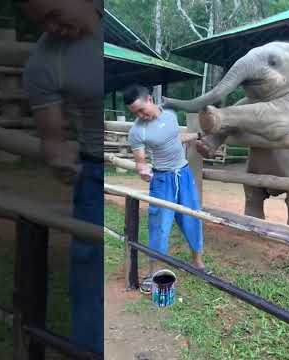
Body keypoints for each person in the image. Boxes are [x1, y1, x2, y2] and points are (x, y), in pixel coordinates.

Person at [16, 0, 104, 355]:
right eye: (41, 23)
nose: (51, 28)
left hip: (149, 170)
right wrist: (60, 158)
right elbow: (53, 141)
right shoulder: (45, 63)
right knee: (90, 273)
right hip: (97, 176)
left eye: (53, 15)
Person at [124, 84, 211, 294]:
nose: (140, 115)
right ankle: (153, 272)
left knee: (192, 218)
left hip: (184, 174)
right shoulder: (137, 131)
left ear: (150, 100)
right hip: (162, 180)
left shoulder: (170, 115)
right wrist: (143, 171)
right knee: (159, 226)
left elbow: (173, 138)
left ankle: (198, 263)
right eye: (135, 113)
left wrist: (195, 136)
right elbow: (140, 161)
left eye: (141, 110)